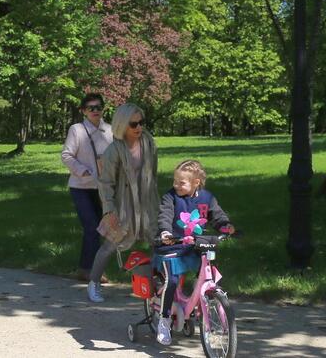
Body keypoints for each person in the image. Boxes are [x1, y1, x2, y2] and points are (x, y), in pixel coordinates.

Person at [153, 159, 234, 345]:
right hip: (172, 244)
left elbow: (217, 215)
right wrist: (165, 232)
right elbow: (164, 215)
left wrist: (225, 226)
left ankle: (206, 305)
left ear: (196, 182)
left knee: (208, 275)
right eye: (175, 181)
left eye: (181, 182)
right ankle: (164, 320)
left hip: (196, 244)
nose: (176, 185)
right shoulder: (170, 197)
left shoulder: (207, 198)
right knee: (171, 280)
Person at [88, 103, 160, 303]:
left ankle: (155, 285)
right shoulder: (114, 150)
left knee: (158, 241)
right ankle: (94, 282)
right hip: (123, 203)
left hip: (147, 201)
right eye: (133, 124)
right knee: (111, 244)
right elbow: (106, 182)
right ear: (122, 125)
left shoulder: (149, 143)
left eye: (141, 123)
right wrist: (109, 209)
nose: (138, 128)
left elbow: (153, 174)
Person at [61, 93, 113, 282]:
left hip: (103, 188)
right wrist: (82, 170)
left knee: (101, 228)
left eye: (98, 107)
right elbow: (66, 155)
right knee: (91, 226)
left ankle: (87, 268)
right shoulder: (77, 130)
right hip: (81, 187)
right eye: (91, 108)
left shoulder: (110, 130)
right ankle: (90, 270)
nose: (95, 111)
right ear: (83, 111)